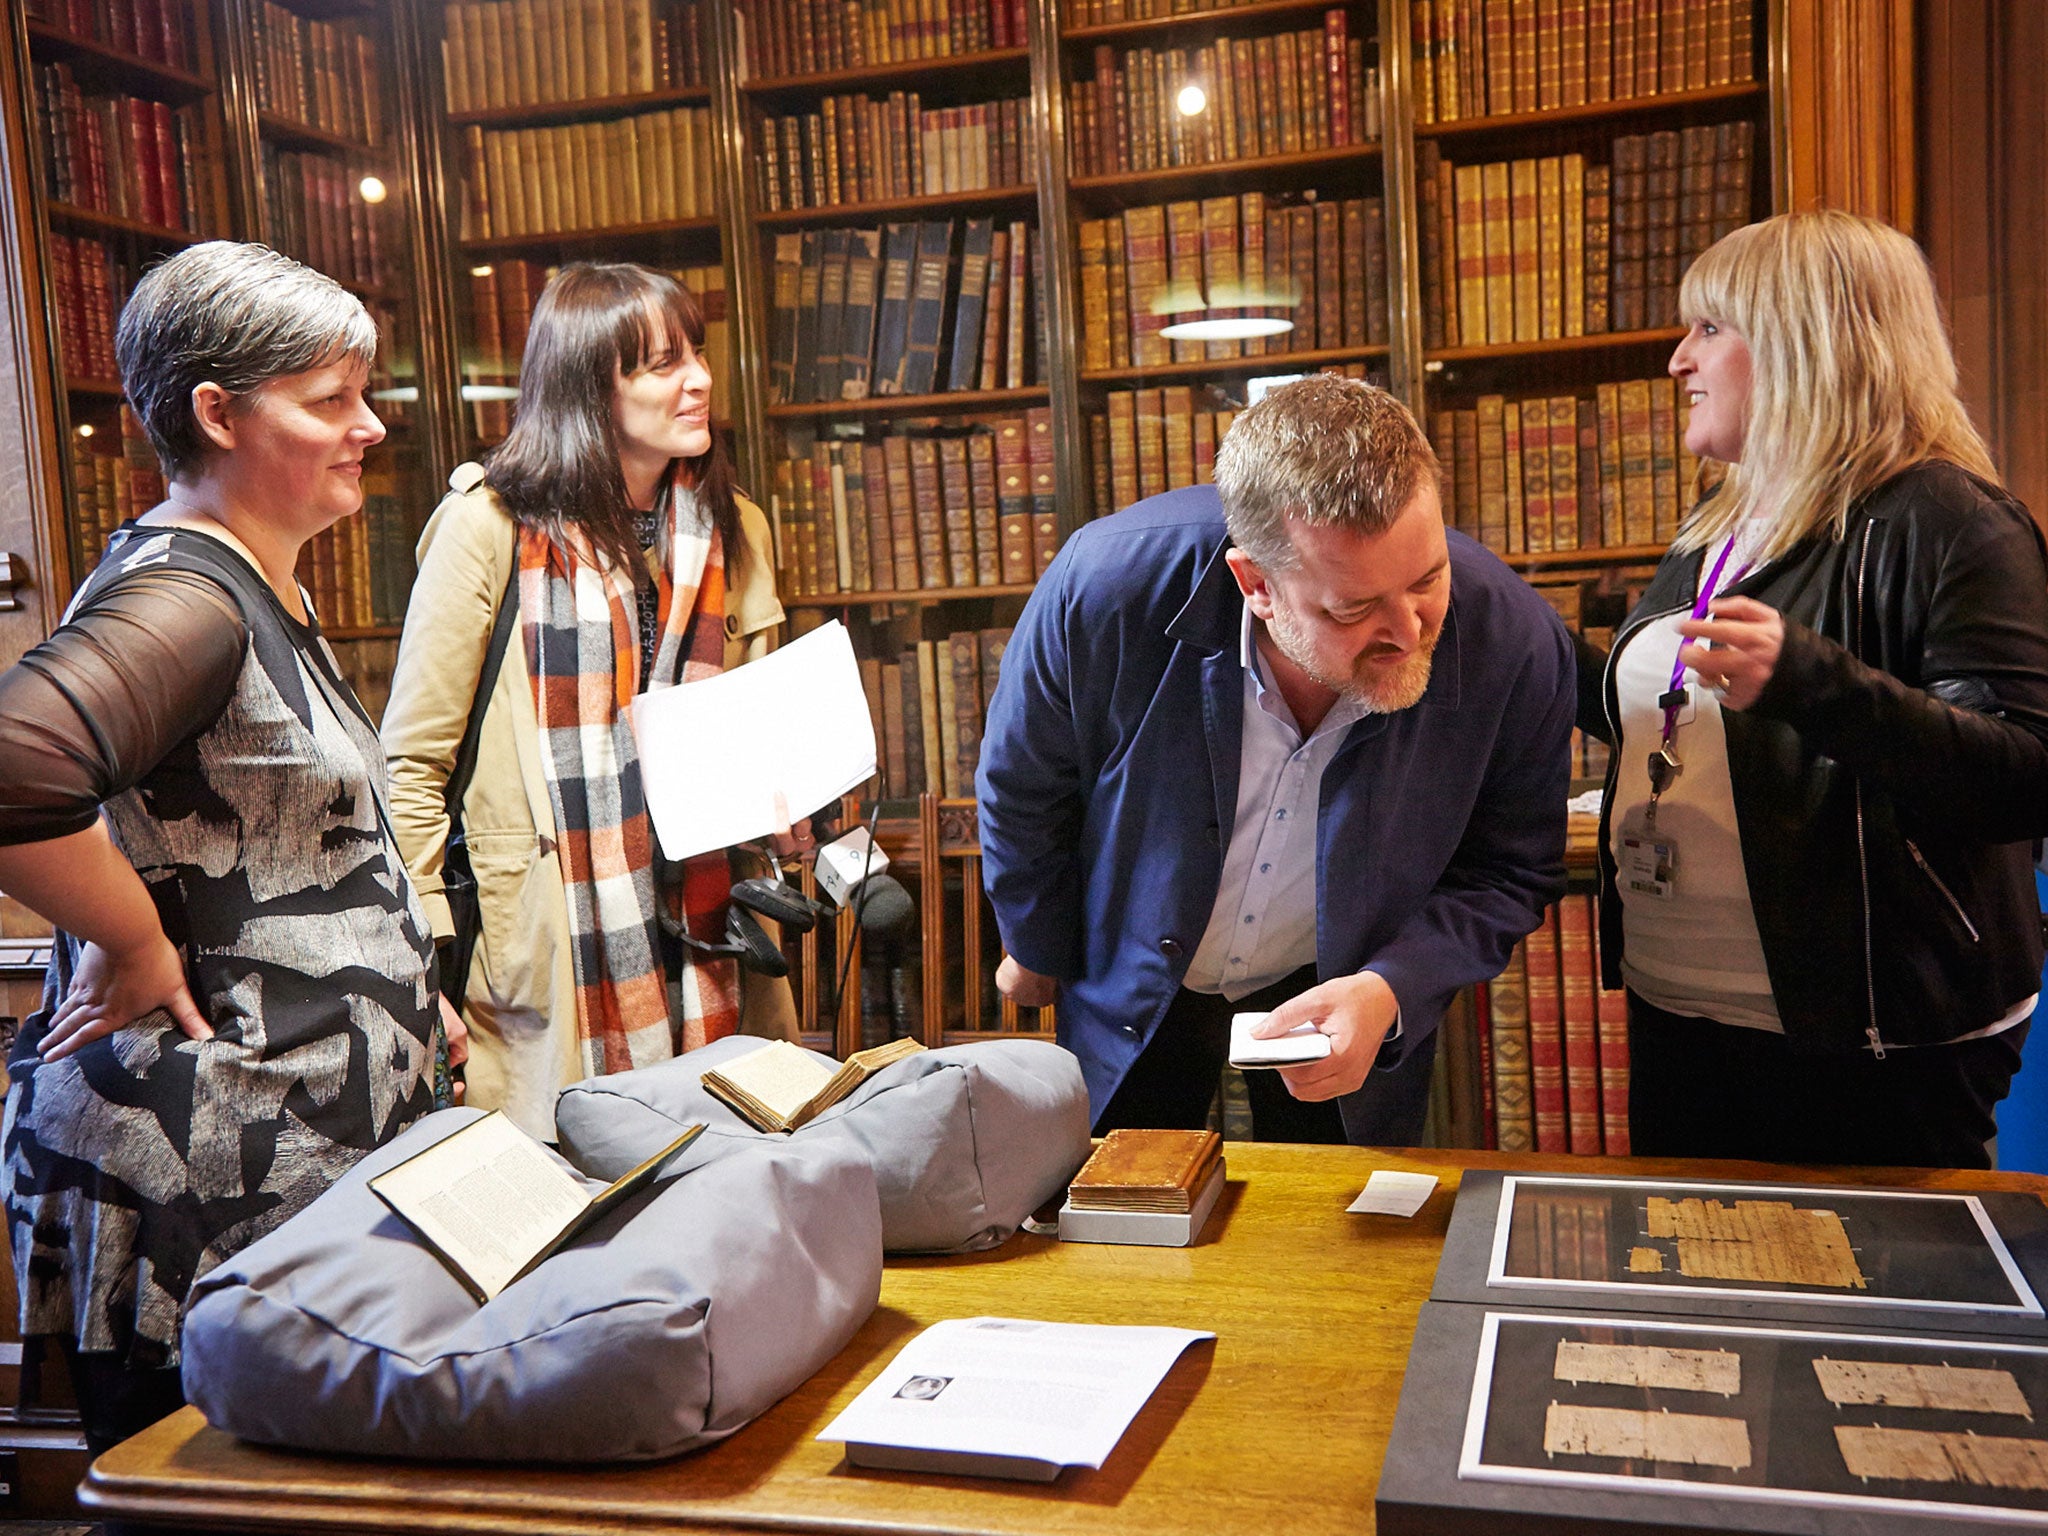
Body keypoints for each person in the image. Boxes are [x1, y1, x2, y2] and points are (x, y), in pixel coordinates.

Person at [0, 242, 444, 1454]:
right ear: (217, 412)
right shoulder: (188, 596)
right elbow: (13, 765)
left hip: (281, 1147)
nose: (367, 427)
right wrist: (129, 937)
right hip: (205, 1168)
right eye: (328, 400)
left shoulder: (254, 580)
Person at [977, 375, 1575, 1144]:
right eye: (1352, 608)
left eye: (1428, 580)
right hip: (1133, 956)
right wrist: (1038, 942)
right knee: (1117, 1228)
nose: (1409, 630)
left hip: (1348, 983)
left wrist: (1393, 988)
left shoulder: (1516, 644)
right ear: (1256, 583)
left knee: (1334, 1245)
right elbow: (1023, 788)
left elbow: (1510, 869)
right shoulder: (1106, 588)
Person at [1580, 210, 2048, 1168]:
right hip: (1679, 1007)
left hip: (1870, 1036)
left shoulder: (1950, 519)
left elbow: (2026, 776)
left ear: (1805, 342)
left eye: (1710, 328)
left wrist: (1812, 681)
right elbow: (1680, 726)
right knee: (1701, 1298)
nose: (1678, 359)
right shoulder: (1710, 533)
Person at [382, 262, 801, 1143]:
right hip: (550, 928)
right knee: (571, 1209)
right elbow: (412, 764)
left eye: (694, 353)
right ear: (585, 389)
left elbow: (759, 727)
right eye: (658, 364)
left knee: (730, 1184)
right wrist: (419, 962)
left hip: (710, 924)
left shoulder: (738, 527)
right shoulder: (488, 526)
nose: (698, 380)